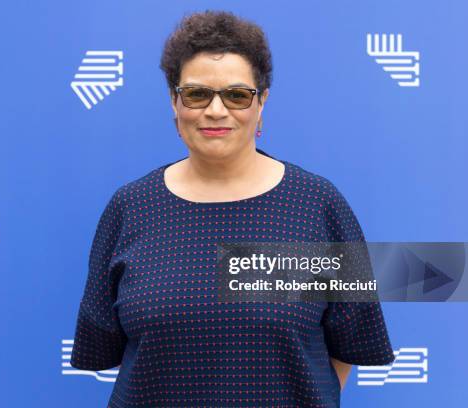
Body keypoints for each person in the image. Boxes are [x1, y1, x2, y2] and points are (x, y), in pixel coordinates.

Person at [70, 10, 395, 407]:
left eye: (237, 95)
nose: (216, 111)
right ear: (174, 101)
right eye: (197, 94)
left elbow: (351, 344)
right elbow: (103, 346)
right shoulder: (131, 208)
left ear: (262, 104)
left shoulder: (316, 205)